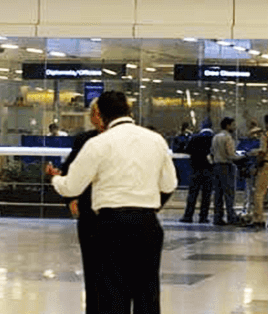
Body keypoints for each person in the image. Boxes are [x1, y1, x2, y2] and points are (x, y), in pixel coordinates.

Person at [48, 91, 177, 314]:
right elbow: (169, 184)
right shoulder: (155, 140)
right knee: (147, 291)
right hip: (147, 224)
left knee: (113, 291)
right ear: (129, 110)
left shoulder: (98, 143)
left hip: (111, 224)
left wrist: (56, 179)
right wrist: (151, 206)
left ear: (100, 114)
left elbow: (72, 187)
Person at [55, 99, 105, 314]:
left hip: (112, 210)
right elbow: (70, 169)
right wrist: (71, 199)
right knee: (93, 269)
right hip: (91, 210)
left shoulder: (121, 140)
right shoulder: (85, 140)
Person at [178, 120, 215, 224]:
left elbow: (187, 150)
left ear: (201, 126)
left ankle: (188, 216)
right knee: (206, 195)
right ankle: (203, 217)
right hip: (209, 169)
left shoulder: (194, 137)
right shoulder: (213, 138)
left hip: (196, 168)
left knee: (193, 194)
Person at [210, 117, 241, 226]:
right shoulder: (228, 138)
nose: (234, 127)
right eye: (233, 125)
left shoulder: (215, 137)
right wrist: (244, 156)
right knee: (229, 193)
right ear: (228, 125)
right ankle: (231, 216)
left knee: (218, 194)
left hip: (216, 166)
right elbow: (231, 154)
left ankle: (217, 217)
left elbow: (212, 152)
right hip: (226, 166)